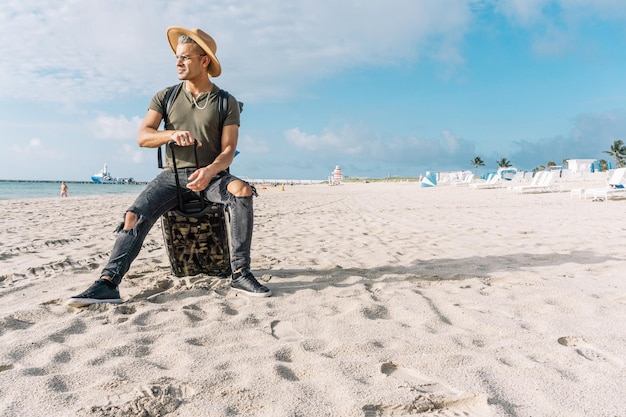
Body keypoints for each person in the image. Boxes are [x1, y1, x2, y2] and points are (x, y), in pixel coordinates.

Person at [67, 26, 271, 307]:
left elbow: (228, 150)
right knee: (132, 216)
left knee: (242, 190)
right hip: (172, 177)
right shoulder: (166, 96)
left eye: (186, 57)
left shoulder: (226, 102)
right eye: (177, 57)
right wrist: (170, 134)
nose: (178, 62)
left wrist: (211, 171)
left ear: (204, 61)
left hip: (211, 176)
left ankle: (240, 273)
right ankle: (108, 283)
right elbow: (143, 136)